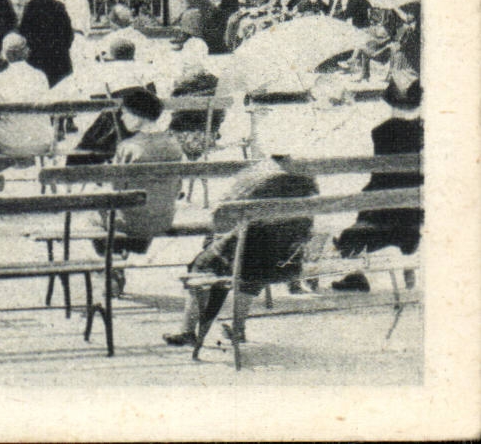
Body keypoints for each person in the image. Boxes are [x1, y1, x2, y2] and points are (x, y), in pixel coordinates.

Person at [164, 156, 319, 348]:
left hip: (242, 257)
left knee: (204, 264)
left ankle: (187, 330)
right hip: (281, 264)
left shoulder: (258, 177)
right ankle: (238, 328)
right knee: (250, 264)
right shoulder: (309, 181)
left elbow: (220, 217)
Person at [331, 75, 423, 293]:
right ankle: (408, 270)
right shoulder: (424, 132)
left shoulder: (381, 132)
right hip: (414, 220)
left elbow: (378, 177)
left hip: (384, 219)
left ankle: (356, 275)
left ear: (389, 102)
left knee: (350, 233)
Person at [95, 88, 185, 260]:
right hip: (164, 219)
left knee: (90, 217)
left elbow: (115, 191)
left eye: (125, 113)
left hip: (131, 223)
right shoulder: (174, 144)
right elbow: (177, 186)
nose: (121, 118)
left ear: (137, 115)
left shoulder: (128, 147)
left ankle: (113, 267)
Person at [0, 33, 55, 165]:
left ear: (5, 55)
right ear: (26, 52)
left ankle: (0, 173)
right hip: (41, 141)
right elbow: (48, 109)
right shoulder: (39, 76)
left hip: (10, 144)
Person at [18, 0, 74, 87]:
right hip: (59, 61)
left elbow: (23, 35)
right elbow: (69, 36)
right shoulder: (58, 7)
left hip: (37, 61)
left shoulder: (30, 8)